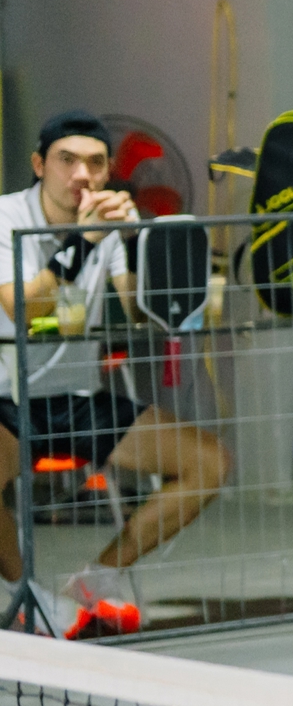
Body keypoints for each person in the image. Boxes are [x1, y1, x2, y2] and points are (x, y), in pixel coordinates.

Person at [1, 111, 231, 638]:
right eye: (67, 160)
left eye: (96, 163)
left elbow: (138, 311)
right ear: (39, 165)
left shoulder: (104, 227)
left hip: (76, 396)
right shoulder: (7, 217)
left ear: (109, 173)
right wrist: (82, 242)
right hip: (7, 395)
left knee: (209, 463)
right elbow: (20, 308)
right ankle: (26, 596)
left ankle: (93, 582)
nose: (82, 174)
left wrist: (136, 240)